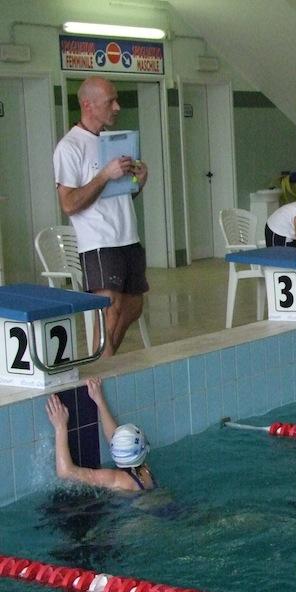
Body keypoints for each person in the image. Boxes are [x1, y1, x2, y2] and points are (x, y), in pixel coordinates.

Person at [52, 76, 149, 357]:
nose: (117, 107)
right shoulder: (70, 147)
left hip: (127, 235)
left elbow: (117, 197)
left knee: (133, 305)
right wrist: (104, 175)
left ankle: (104, 362)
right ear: (88, 105)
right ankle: (102, 372)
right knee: (110, 308)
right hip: (99, 242)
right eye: (110, 101)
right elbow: (69, 204)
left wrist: (139, 182)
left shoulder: (113, 142)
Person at [46, 377, 156, 492]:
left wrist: (60, 427)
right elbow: (116, 440)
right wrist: (100, 401)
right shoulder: (144, 470)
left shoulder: (116, 479)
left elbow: (66, 473)